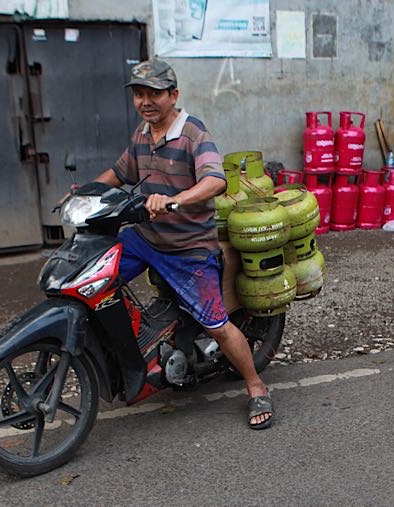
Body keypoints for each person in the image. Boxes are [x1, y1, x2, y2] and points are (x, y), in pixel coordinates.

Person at [91, 59, 274, 430]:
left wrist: (175, 200)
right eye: (139, 94)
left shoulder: (193, 133)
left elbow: (215, 181)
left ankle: (256, 386)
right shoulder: (142, 135)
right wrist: (86, 195)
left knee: (217, 324)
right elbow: (119, 174)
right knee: (96, 277)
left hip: (188, 247)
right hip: (146, 239)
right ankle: (134, 348)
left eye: (154, 93)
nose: (146, 101)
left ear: (173, 95)